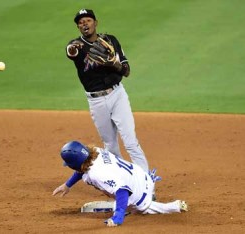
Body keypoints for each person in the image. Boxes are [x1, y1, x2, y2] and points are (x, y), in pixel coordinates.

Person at [66, 9, 149, 173]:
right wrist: (72, 48)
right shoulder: (77, 45)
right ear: (78, 27)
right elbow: (71, 51)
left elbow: (126, 71)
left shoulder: (110, 41)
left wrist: (114, 64)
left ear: (95, 23)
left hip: (117, 95)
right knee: (110, 145)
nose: (85, 24)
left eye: (88, 20)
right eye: (81, 22)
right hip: (96, 101)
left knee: (131, 142)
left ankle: (146, 181)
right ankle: (124, 181)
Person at [52, 141, 188, 227]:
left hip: (138, 193)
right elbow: (83, 168)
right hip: (141, 176)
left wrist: (118, 216)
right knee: (120, 196)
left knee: (140, 209)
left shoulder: (97, 174)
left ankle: (172, 206)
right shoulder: (96, 151)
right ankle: (123, 206)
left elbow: (122, 190)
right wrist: (67, 185)